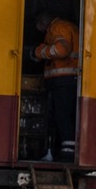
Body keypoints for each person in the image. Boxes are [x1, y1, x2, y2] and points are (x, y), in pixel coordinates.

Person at [31, 12, 80, 162]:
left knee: (62, 115)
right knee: (64, 115)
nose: (40, 31)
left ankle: (67, 151)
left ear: (42, 22)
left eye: (38, 26)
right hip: (67, 80)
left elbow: (61, 50)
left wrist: (38, 52)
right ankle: (63, 149)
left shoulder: (58, 28)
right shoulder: (65, 27)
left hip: (63, 80)